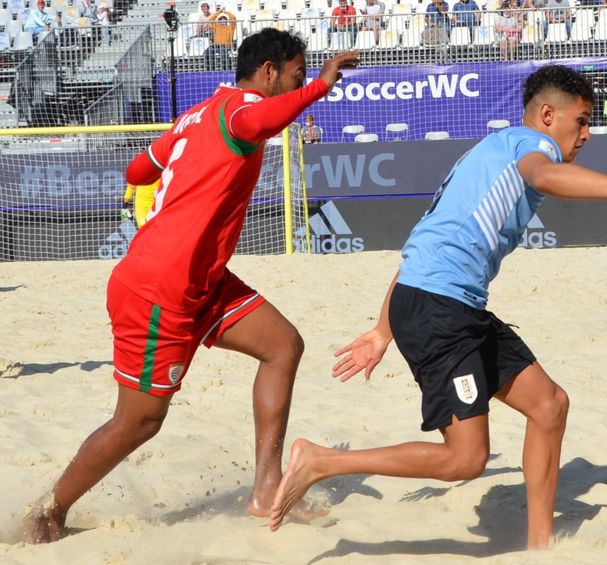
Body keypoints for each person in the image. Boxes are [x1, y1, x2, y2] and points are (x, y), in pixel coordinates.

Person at [267, 66, 607, 549]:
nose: (587, 133)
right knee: (465, 459)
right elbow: (545, 175)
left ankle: (540, 546)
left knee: (549, 405)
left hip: (446, 303)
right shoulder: (530, 148)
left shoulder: (489, 152)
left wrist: (381, 331)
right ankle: (321, 461)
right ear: (546, 115)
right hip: (440, 310)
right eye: (581, 121)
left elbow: (422, 252)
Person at [22, 29, 360, 544]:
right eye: (294, 71)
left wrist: (183, 177)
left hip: (201, 278)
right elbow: (261, 119)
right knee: (139, 422)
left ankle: (267, 488)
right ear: (269, 71)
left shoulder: (196, 115)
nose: (298, 79)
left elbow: (139, 169)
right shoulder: (242, 110)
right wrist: (319, 85)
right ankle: (49, 510)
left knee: (282, 345)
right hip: (161, 288)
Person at [204, 4, 237, 70]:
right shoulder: (217, 26)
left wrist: (225, 12)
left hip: (225, 45)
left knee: (223, 52)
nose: (222, 21)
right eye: (220, 19)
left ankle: (225, 70)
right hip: (216, 45)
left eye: (224, 19)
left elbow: (233, 18)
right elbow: (211, 19)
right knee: (207, 52)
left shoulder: (230, 27)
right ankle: (210, 69)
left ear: (226, 20)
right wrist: (219, 11)